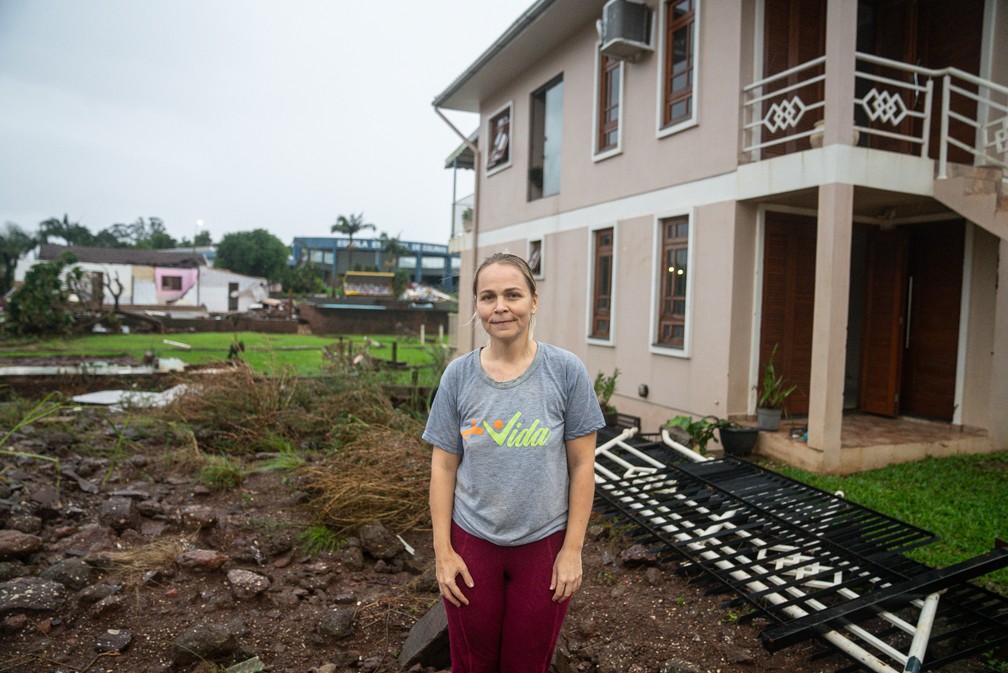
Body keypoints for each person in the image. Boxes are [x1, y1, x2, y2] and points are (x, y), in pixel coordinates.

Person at [423, 252, 604, 672]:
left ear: (534, 301)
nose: (500, 306)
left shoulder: (566, 372)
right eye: (488, 296)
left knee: (527, 663)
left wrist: (572, 550)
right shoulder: (458, 377)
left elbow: (582, 467)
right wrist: (443, 551)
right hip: (472, 544)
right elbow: (443, 467)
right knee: (472, 662)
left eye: (512, 294)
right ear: (477, 307)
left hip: (543, 545)